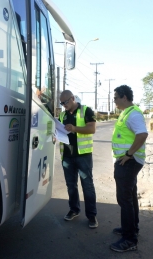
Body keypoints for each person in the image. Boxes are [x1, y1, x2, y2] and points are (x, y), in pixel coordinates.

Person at [110, 85, 148, 252]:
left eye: (116, 97)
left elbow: (142, 134)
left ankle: (130, 239)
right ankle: (132, 228)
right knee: (130, 197)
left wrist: (129, 154)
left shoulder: (132, 114)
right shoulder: (126, 113)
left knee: (124, 199)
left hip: (128, 162)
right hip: (127, 161)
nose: (114, 100)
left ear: (124, 97)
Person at [58, 90, 98, 228]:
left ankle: (92, 215)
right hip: (67, 156)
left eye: (66, 102)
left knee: (87, 186)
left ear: (73, 98)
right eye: (61, 103)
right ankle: (74, 210)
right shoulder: (62, 115)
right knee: (71, 186)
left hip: (83, 155)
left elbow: (92, 129)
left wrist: (74, 128)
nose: (64, 105)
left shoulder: (86, 110)